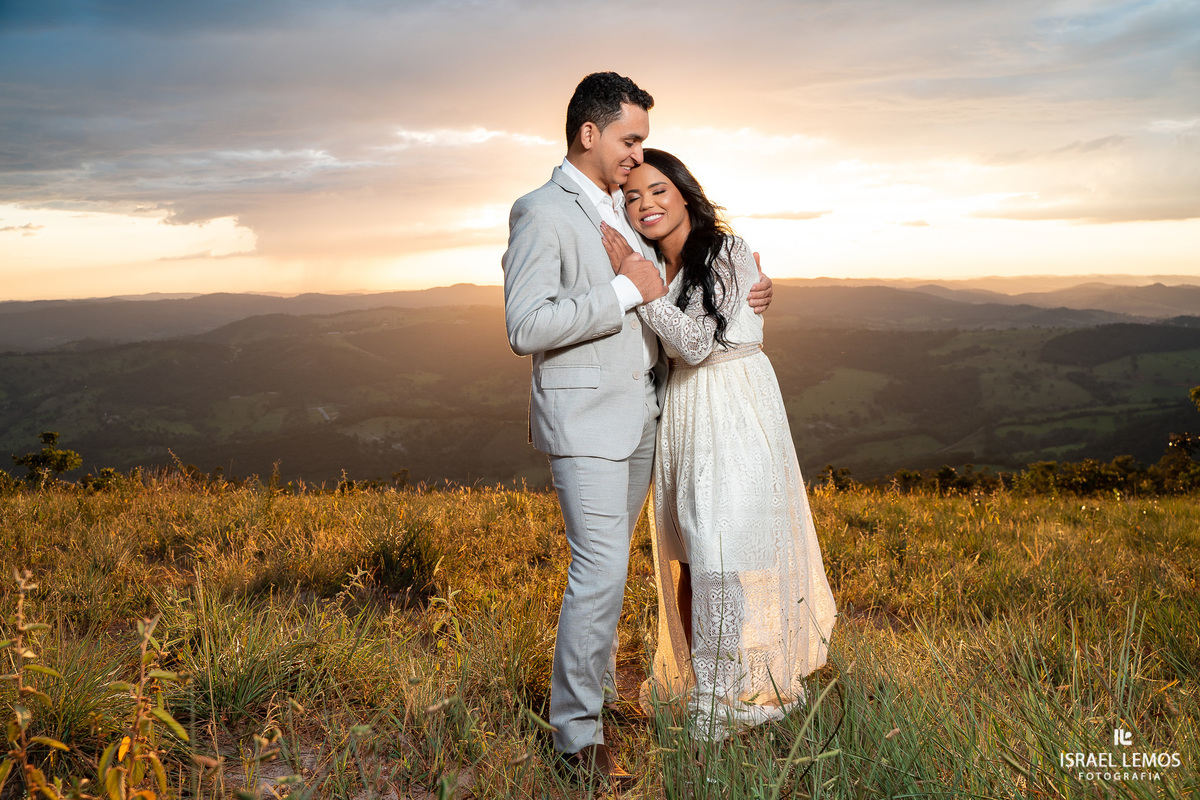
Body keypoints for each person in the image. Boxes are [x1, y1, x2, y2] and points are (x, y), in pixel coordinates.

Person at [502, 73, 773, 784]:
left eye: (643, 144)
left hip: (651, 418)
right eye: (630, 140)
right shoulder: (541, 211)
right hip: (586, 422)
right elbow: (526, 326)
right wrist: (624, 290)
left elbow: (682, 283)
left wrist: (746, 284)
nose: (637, 156)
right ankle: (575, 738)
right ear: (589, 134)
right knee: (599, 574)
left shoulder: (620, 207)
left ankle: (595, 704)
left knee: (624, 574)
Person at [601, 149, 837, 740]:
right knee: (691, 553)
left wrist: (645, 292)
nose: (645, 203)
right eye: (632, 197)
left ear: (684, 192)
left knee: (723, 546)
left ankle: (724, 699)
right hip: (683, 413)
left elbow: (700, 345)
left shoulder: (727, 251)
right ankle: (698, 684)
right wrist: (642, 282)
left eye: (657, 190)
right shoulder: (653, 263)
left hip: (733, 405)